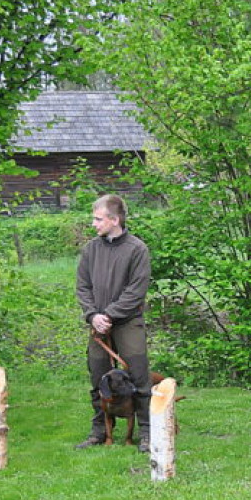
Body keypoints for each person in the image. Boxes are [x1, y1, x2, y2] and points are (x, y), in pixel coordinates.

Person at [75, 194, 153, 452]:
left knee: (139, 377)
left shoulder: (137, 249)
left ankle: (146, 433)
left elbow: (136, 290)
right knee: (98, 377)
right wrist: (93, 316)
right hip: (97, 323)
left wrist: (109, 314)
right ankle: (99, 431)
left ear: (114, 219)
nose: (94, 224)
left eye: (98, 219)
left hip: (128, 321)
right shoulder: (90, 250)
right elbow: (83, 287)